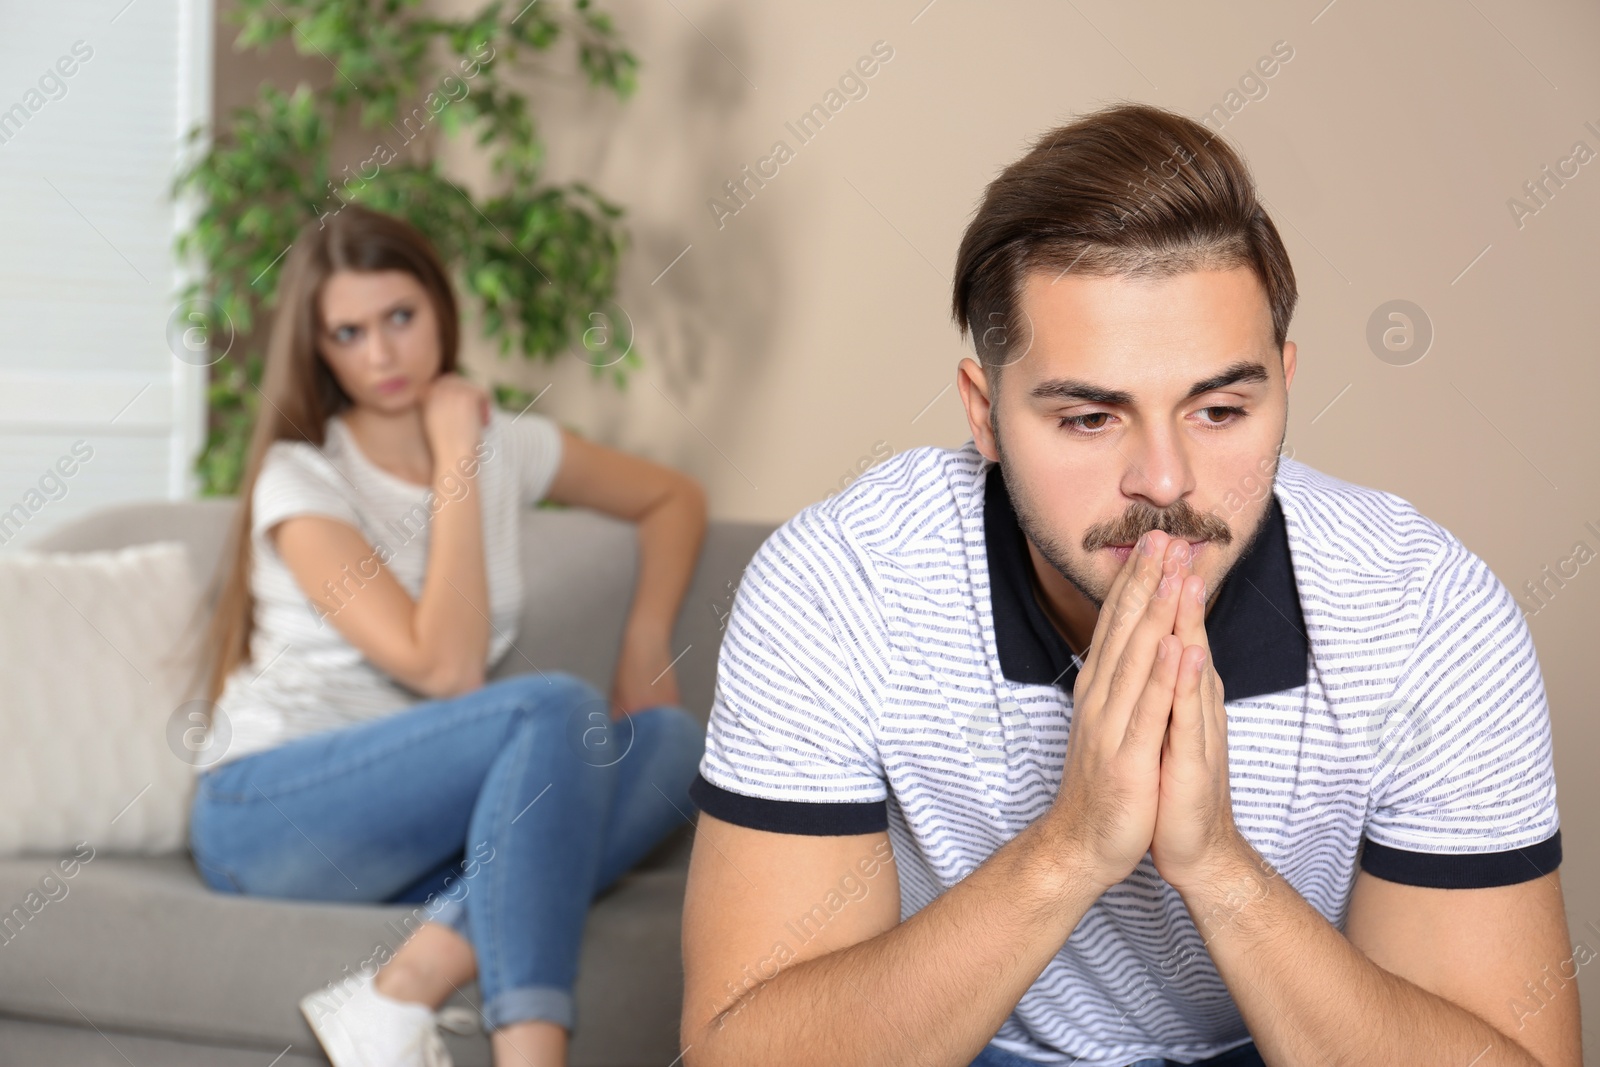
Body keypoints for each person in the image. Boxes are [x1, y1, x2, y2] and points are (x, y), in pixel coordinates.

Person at [678, 102, 1578, 1067]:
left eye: (1221, 408)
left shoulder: (1427, 610)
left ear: (1285, 384)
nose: (1165, 479)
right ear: (985, 414)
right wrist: (1070, 848)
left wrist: (1220, 870)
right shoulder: (839, 581)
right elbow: (736, 1049)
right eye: (1089, 419)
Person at [189, 204, 709, 1067]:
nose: (383, 354)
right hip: (269, 812)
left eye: (400, 317)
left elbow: (673, 497)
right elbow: (448, 665)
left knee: (669, 741)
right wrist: (456, 457)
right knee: (552, 711)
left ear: (441, 309)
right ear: (319, 349)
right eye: (349, 333)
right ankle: (532, 1052)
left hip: (413, 830)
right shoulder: (302, 479)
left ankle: (402, 986)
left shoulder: (511, 444)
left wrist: (646, 637)